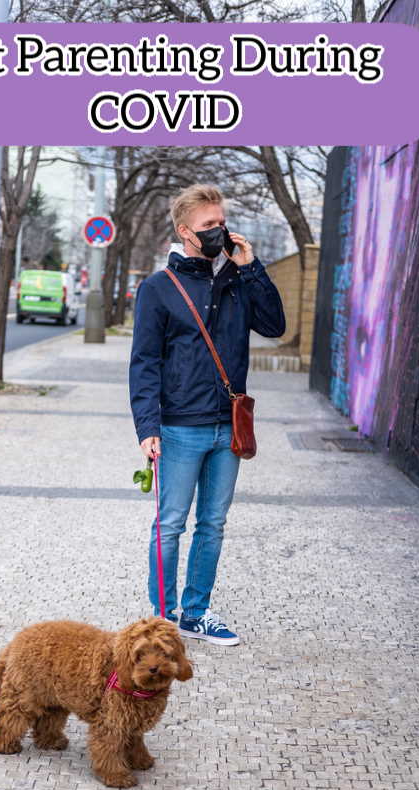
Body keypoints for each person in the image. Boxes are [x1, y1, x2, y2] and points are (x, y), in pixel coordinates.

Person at [129, 183, 286, 647]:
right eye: (208, 226)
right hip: (179, 426)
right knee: (171, 523)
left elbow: (275, 326)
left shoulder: (238, 281)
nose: (219, 231)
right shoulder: (158, 289)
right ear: (185, 231)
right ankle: (163, 621)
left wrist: (251, 267)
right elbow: (144, 362)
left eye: (222, 222)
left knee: (213, 524)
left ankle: (196, 613)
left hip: (229, 427)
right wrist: (147, 428)